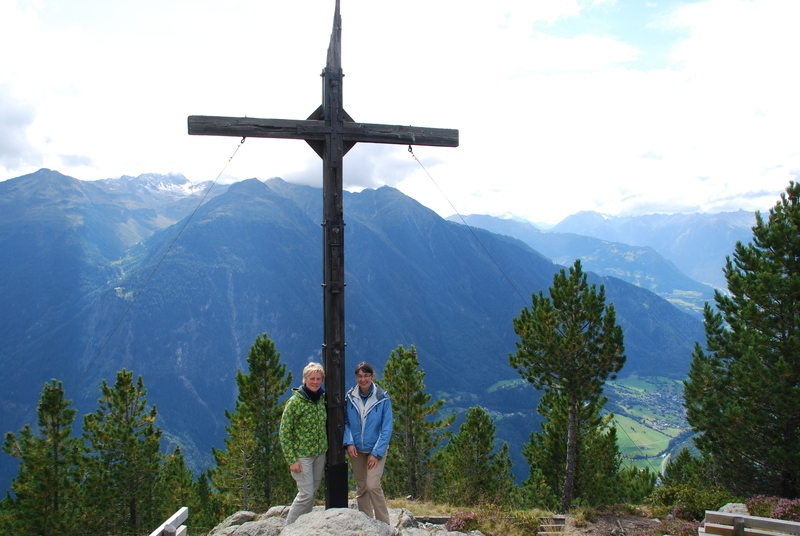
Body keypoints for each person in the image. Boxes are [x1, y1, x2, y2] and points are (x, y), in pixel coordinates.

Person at [343, 361, 393, 524]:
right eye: (359, 376)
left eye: (366, 376)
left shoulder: (382, 398)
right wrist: (349, 443)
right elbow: (346, 422)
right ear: (356, 377)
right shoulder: (350, 397)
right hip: (356, 449)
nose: (363, 379)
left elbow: (386, 428)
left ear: (372, 376)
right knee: (362, 487)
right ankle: (366, 522)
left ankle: (384, 523)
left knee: (372, 485)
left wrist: (376, 453)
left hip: (375, 449)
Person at [279, 362, 327, 525]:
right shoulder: (295, 402)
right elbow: (285, 432)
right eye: (312, 378)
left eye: (318, 379)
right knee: (306, 493)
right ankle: (289, 528)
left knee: (312, 491)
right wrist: (292, 459)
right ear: (305, 380)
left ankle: (303, 525)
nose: (315, 382)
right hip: (302, 456)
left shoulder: (321, 399)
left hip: (320, 454)